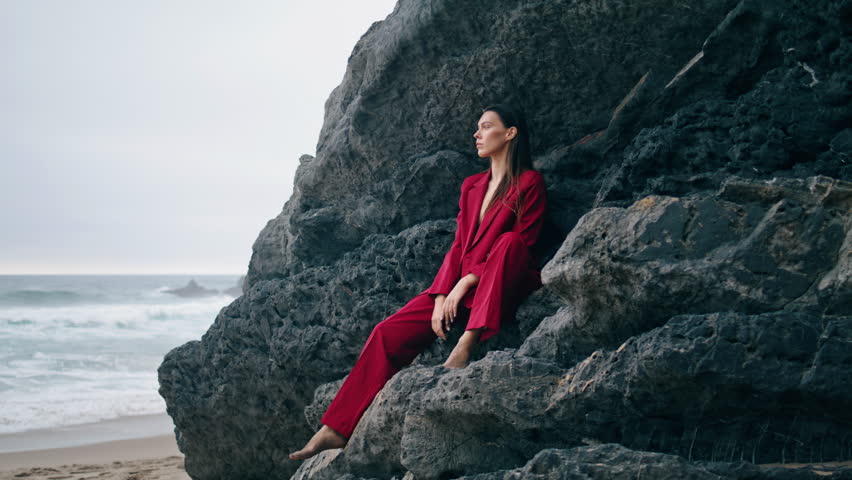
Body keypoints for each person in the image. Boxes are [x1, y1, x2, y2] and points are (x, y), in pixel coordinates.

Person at [289, 103, 547, 461]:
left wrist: (466, 283)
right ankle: (334, 429)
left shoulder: (529, 183)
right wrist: (442, 294)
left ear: (510, 133)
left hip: (503, 280)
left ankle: (465, 347)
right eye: (477, 127)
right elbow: (459, 245)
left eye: (486, 126)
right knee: (386, 333)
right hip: (459, 287)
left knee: (508, 242)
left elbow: (526, 245)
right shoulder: (472, 186)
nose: (477, 133)